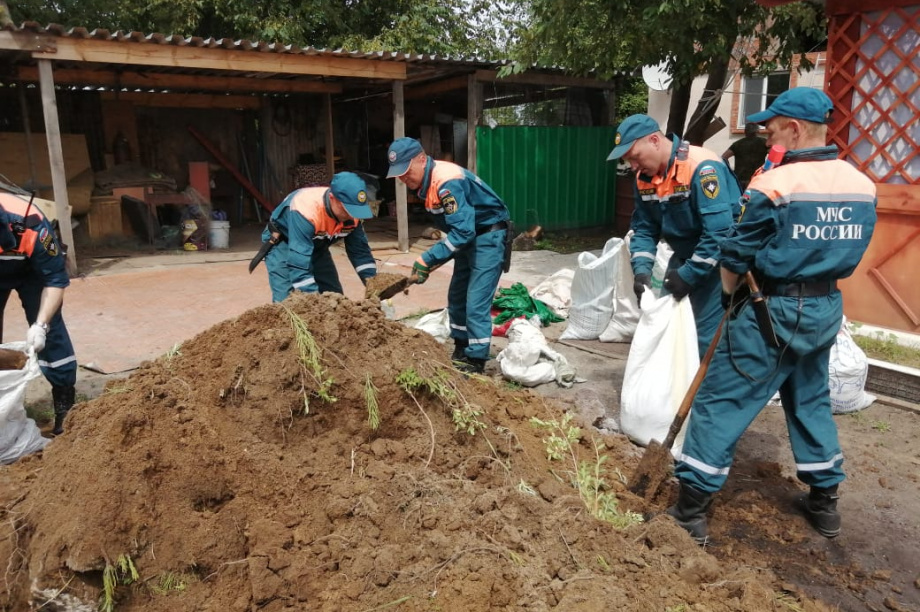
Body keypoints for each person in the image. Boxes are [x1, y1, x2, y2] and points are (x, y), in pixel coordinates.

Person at [668, 87, 878, 543]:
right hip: (825, 309)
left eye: (772, 128)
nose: (766, 137)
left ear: (795, 129)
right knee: (809, 400)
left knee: (721, 401)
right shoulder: (862, 185)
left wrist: (728, 300)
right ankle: (825, 504)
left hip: (771, 311)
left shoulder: (775, 184)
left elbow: (736, 256)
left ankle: (690, 512)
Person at [607, 114, 741, 357]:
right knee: (667, 330)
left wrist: (689, 275)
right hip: (683, 260)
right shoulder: (644, 180)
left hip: (717, 267)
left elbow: (719, 234)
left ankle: (701, 394)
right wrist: (641, 271)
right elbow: (645, 228)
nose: (633, 166)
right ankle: (673, 392)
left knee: (702, 340)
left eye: (635, 157)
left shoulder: (702, 167)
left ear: (655, 141)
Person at [386, 137, 512, 374]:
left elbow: (463, 231)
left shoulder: (447, 181)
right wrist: (429, 264)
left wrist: (427, 258)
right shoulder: (428, 184)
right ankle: (462, 346)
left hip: (488, 236)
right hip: (470, 235)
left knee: (475, 300)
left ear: (421, 160)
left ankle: (476, 361)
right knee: (457, 295)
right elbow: (460, 231)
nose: (402, 178)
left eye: (405, 170)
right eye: (398, 174)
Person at [0, 191, 77, 435]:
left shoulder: (32, 222)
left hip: (34, 272)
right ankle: (6, 409)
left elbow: (55, 280)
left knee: (51, 334)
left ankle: (65, 404)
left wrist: (41, 325)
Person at [256, 172, 377, 302]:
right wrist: (314, 304)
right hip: (285, 243)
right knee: (287, 303)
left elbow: (360, 254)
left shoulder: (353, 214)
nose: (350, 215)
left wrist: (376, 289)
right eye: (346, 209)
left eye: (355, 211)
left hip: (317, 244)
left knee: (334, 299)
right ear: (332, 198)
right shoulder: (305, 209)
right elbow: (299, 264)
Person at [722, 122, 769, 191]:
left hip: (739, 179)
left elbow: (724, 157)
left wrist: (729, 171)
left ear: (745, 131)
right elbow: (772, 154)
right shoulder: (763, 142)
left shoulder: (737, 144)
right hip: (756, 179)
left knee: (739, 200)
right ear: (757, 131)